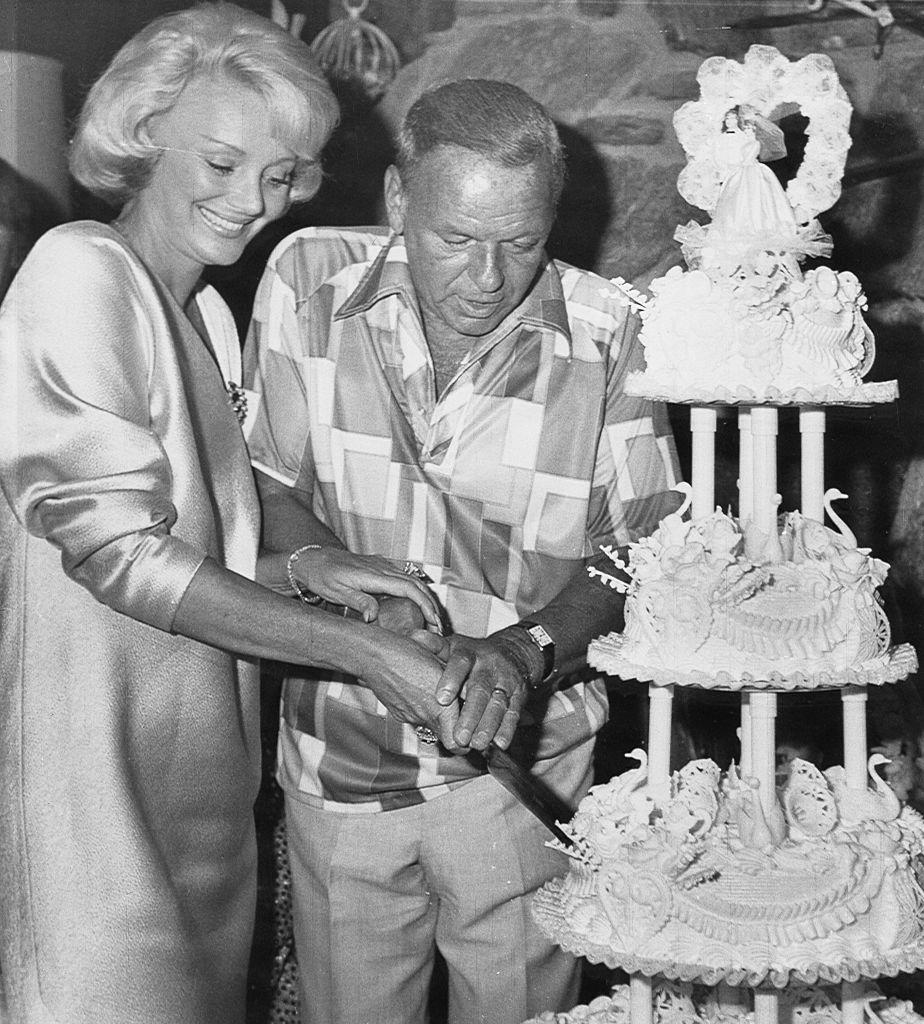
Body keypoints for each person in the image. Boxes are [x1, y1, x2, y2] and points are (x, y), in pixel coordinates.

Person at [0, 7, 462, 1024]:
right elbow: (124, 558)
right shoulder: (79, 272)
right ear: (142, 131)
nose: (254, 201)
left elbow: (206, 544)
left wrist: (312, 572)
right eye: (220, 162)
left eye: (282, 171)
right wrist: (362, 652)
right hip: (90, 798)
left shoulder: (202, 312)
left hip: (195, 794)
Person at [245, 78, 680, 1024]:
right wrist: (349, 585)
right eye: (456, 239)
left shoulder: (612, 330)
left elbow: (644, 554)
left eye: (521, 243)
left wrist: (523, 653)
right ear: (400, 199)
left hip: (526, 780)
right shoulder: (301, 277)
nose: (487, 277)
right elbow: (266, 483)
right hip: (336, 763)